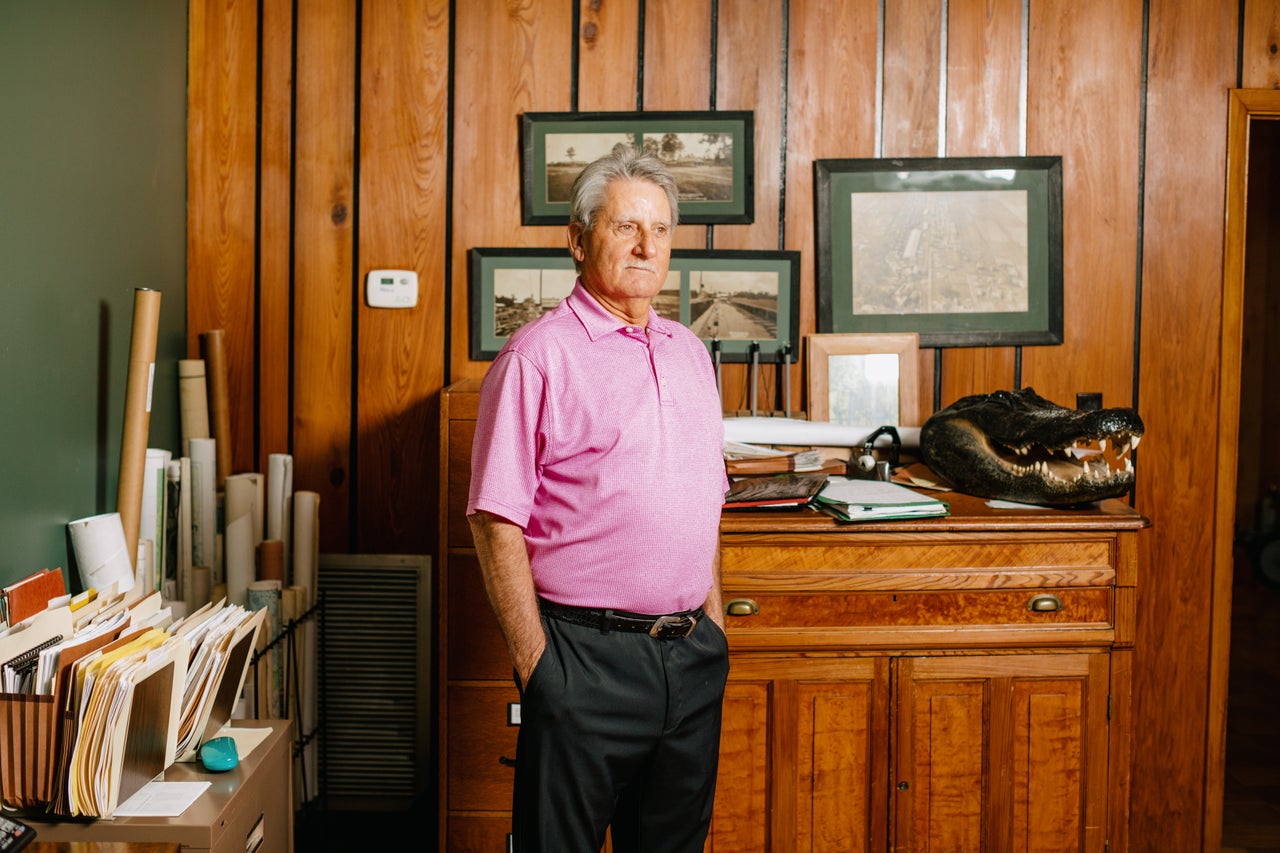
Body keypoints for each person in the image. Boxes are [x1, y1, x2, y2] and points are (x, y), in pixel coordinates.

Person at [466, 142, 730, 853]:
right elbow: (495, 522)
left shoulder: (690, 353)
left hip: (690, 660)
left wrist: (712, 623)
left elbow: (704, 501)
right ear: (579, 240)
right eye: (626, 227)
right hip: (582, 661)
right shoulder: (536, 357)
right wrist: (539, 669)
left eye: (662, 229)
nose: (648, 245)